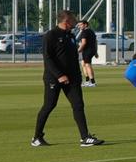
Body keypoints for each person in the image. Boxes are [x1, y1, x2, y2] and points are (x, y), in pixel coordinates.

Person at [32, 10, 103, 148]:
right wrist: (59, 75)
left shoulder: (70, 35)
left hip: (72, 78)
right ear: (66, 21)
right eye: (73, 20)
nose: (76, 22)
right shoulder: (51, 35)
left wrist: (77, 75)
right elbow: (48, 59)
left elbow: (73, 57)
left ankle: (85, 137)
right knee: (49, 105)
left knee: (78, 105)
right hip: (54, 78)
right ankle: (37, 137)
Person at [75, 20, 99, 87]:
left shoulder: (85, 32)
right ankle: (87, 81)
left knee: (87, 65)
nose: (79, 26)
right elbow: (95, 42)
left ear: (85, 25)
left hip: (87, 51)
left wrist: (78, 51)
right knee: (83, 63)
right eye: (79, 25)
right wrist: (96, 51)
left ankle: (93, 82)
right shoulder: (91, 31)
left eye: (81, 25)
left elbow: (83, 43)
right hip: (91, 50)